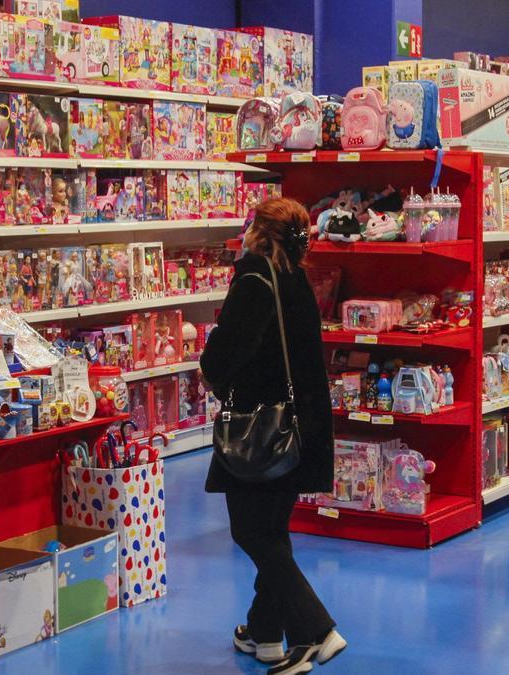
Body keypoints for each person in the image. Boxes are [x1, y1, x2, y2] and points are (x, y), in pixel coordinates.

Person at [200, 198, 345, 675]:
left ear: (258, 233)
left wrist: (212, 370)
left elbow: (222, 358)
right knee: (273, 532)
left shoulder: (254, 281)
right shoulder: (296, 278)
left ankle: (316, 630)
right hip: (300, 425)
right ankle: (265, 635)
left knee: (250, 531)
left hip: (258, 427)